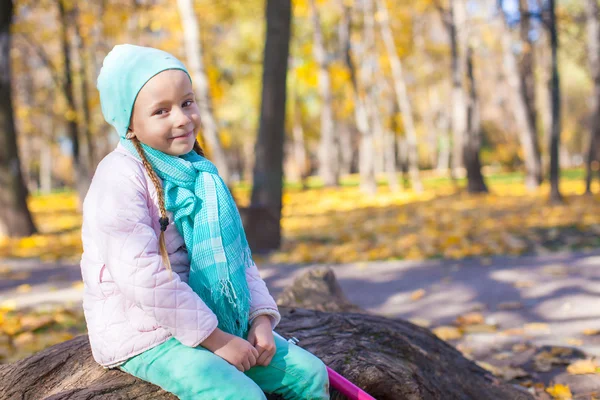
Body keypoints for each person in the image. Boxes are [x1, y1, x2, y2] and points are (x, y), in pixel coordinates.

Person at [79, 44, 330, 400]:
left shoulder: (201, 173)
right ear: (129, 125)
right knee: (239, 395)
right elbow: (142, 277)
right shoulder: (119, 178)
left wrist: (258, 318)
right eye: (160, 111)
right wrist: (217, 339)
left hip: (209, 318)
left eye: (187, 103)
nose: (181, 118)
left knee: (309, 376)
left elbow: (238, 257)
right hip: (145, 330)